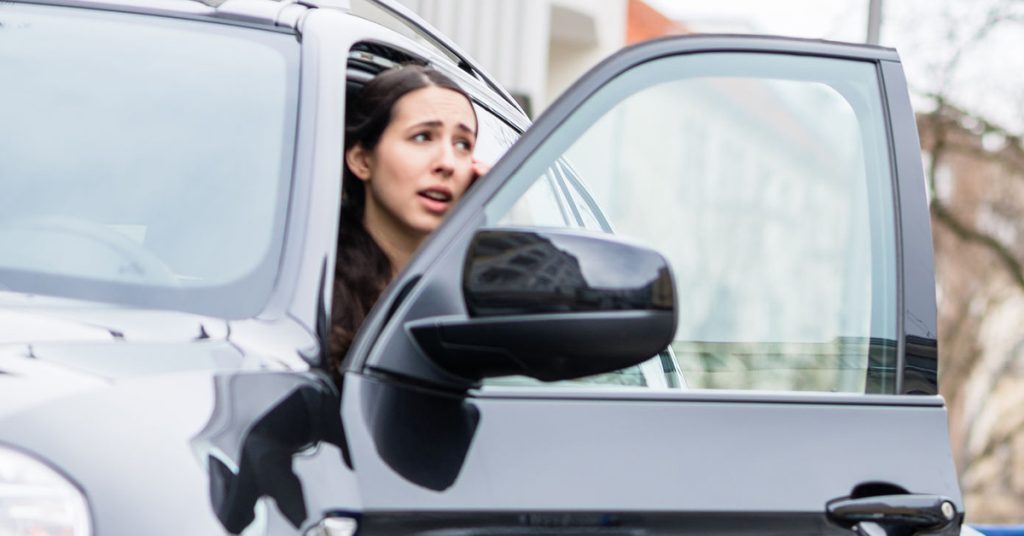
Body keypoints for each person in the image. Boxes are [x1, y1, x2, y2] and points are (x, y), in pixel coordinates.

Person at [329, 65, 487, 373]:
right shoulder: (313, 282)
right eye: (422, 137)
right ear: (362, 160)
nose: (447, 163)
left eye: (462, 144)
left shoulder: (473, 282)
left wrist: (502, 205)